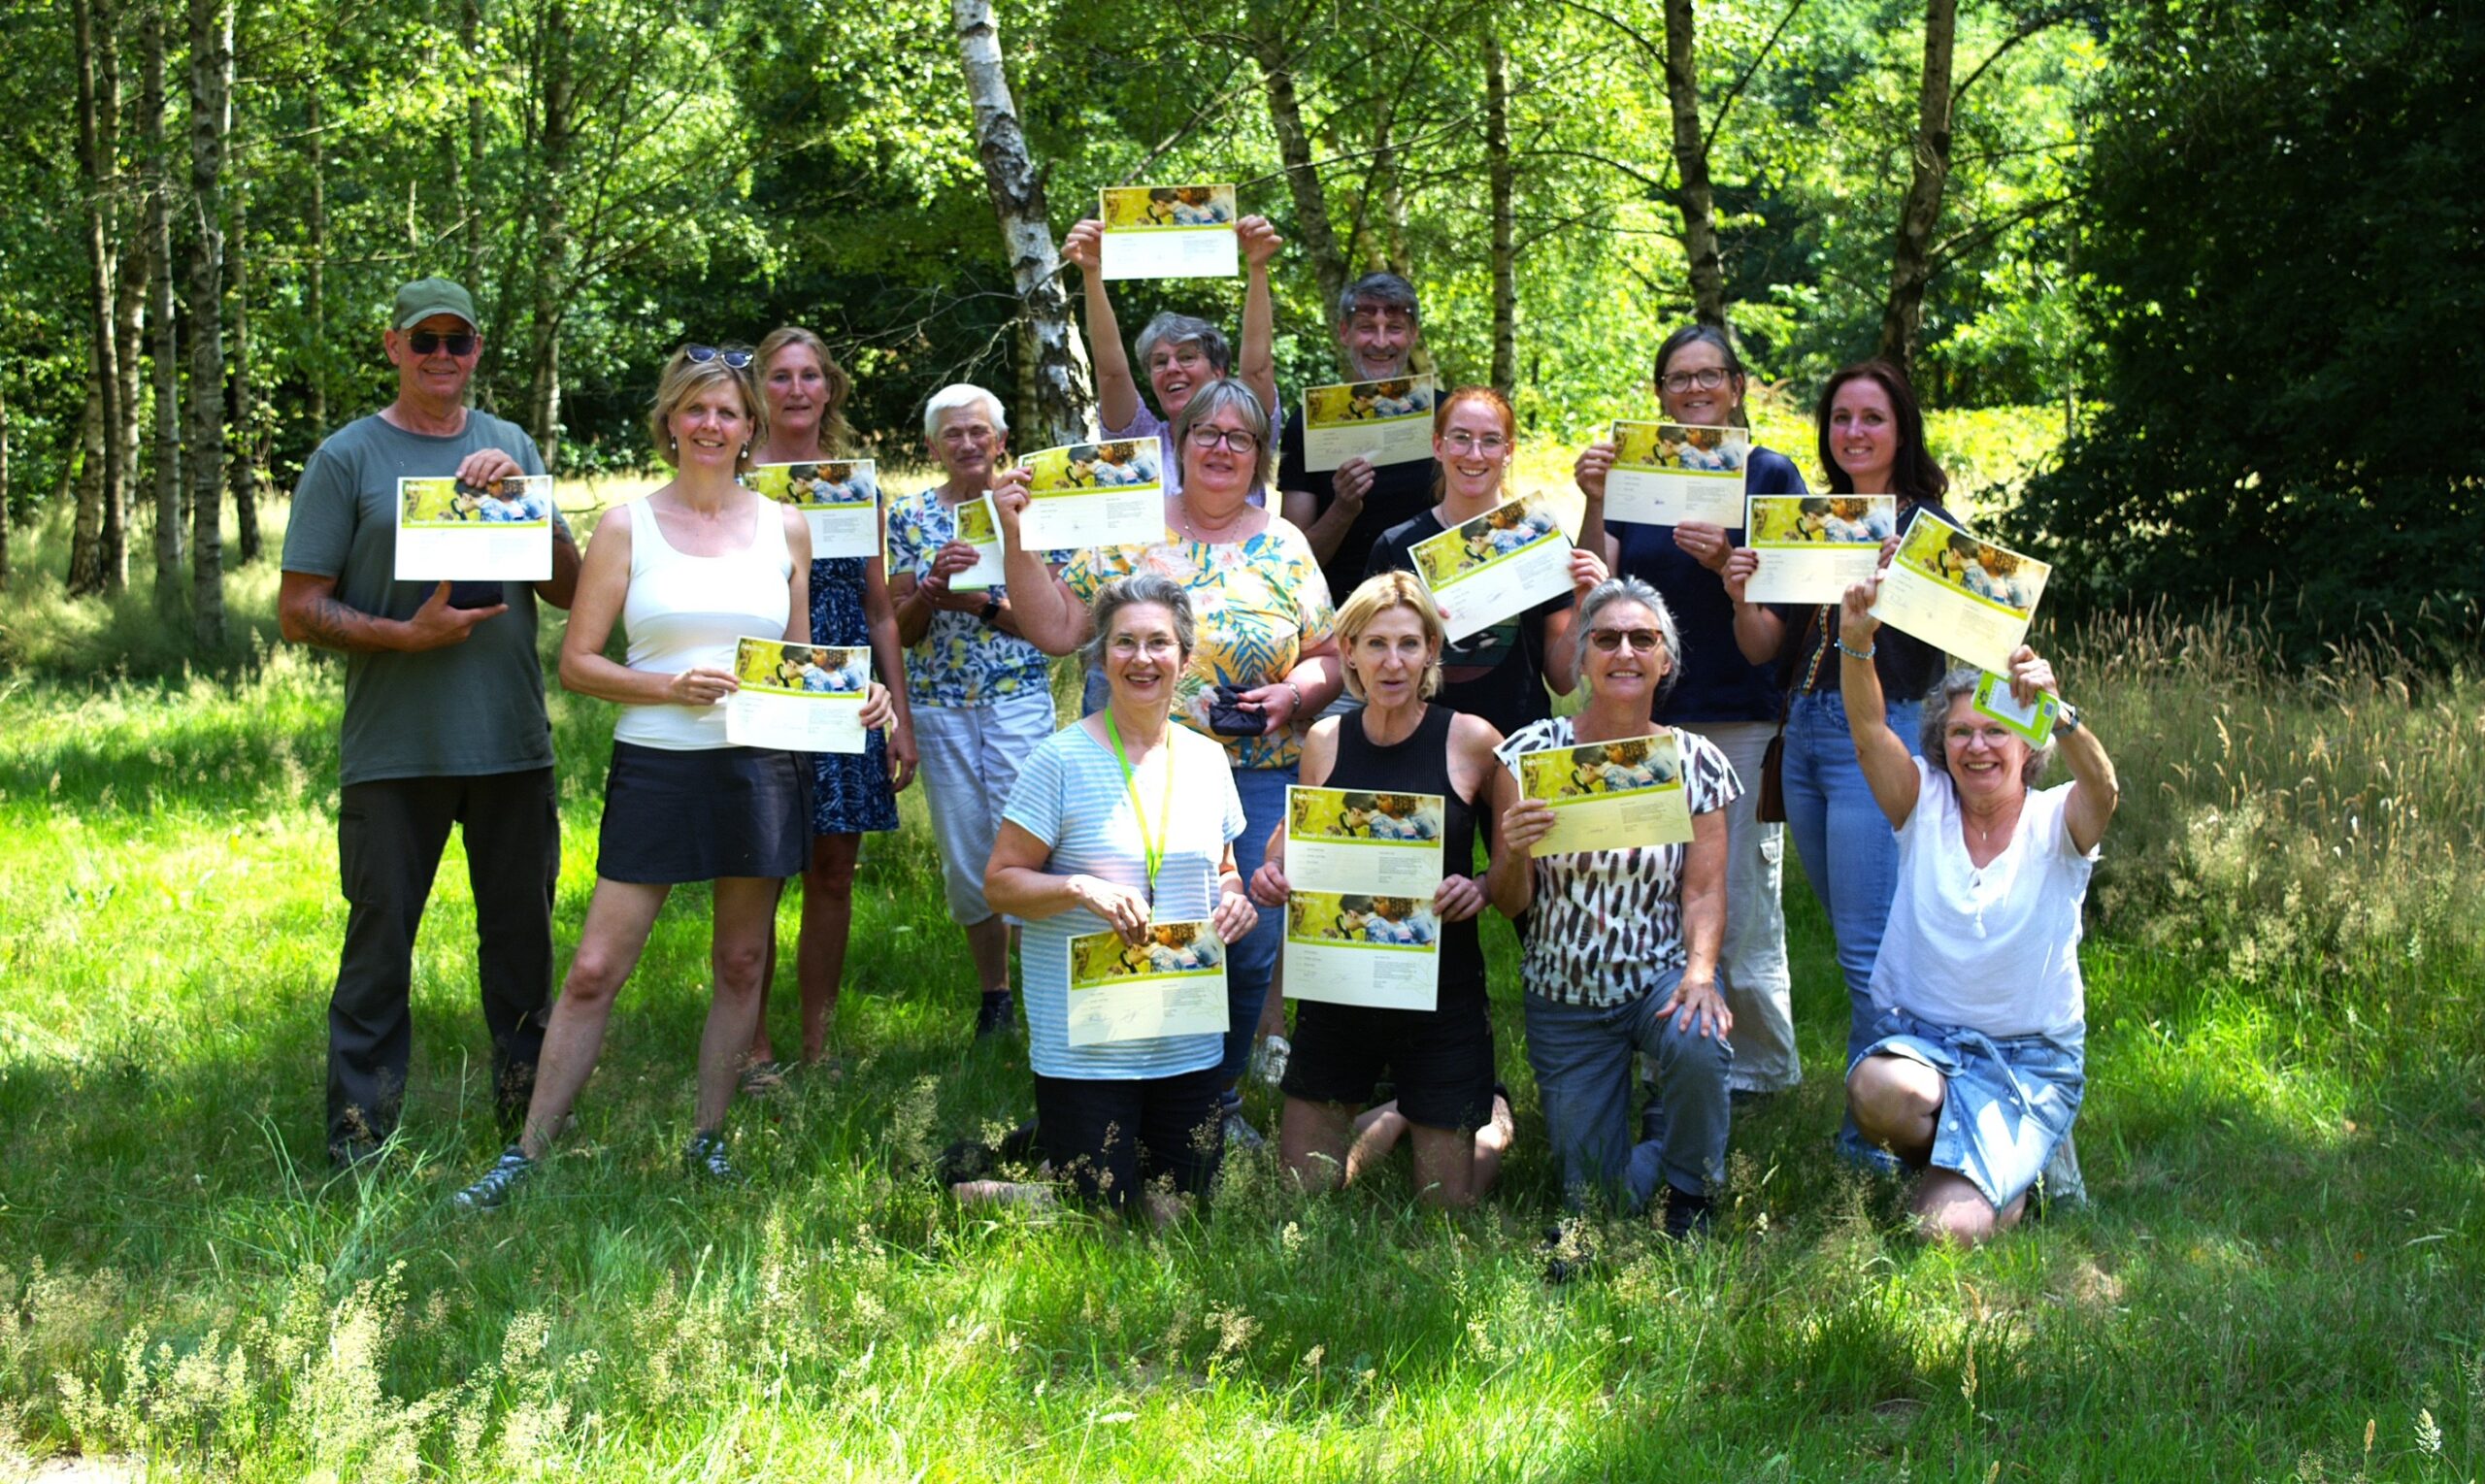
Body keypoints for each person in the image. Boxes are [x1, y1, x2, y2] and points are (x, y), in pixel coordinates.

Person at [453, 346, 893, 1209]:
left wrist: (861, 694)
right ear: (669, 422)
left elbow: (795, 665)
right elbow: (578, 664)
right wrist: (667, 686)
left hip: (762, 767)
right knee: (592, 969)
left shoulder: (786, 527)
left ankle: (707, 1139)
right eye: (695, 409)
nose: (711, 425)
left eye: (727, 412)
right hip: (656, 763)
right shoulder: (625, 525)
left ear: (748, 428)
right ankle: (527, 1152)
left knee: (740, 962)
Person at [278, 276, 582, 1168]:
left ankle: (528, 1133)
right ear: (394, 348)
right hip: (394, 750)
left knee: (523, 954)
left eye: (460, 341)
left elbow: (567, 589)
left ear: (478, 351)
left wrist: (524, 495)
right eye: (426, 341)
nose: (442, 356)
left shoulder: (510, 443)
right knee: (378, 953)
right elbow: (299, 609)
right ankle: (359, 1144)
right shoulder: (348, 458)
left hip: (510, 748)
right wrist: (407, 636)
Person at [997, 378, 1342, 1146]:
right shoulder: (1128, 528)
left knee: (1245, 939)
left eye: (1240, 438)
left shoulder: (1284, 542)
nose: (1222, 448)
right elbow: (1054, 627)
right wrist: (1016, 534)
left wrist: (1296, 693)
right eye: (1206, 434)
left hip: (1254, 770)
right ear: (1179, 446)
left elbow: (1329, 654)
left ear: (1260, 456)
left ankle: (1211, 1104)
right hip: (1131, 768)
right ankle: (1105, 1106)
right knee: (1137, 934)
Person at [1722, 360, 1960, 1167]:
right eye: (1841, 419)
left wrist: (1909, 581)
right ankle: (1907, 1101)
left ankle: (1878, 1138)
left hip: (1879, 733)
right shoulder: (1809, 519)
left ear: (1903, 430)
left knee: (1868, 950)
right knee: (1860, 935)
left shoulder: (1928, 527)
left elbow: (1964, 649)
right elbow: (1763, 646)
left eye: (1873, 418)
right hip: (1805, 733)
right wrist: (1741, 592)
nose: (1854, 432)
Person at [1832, 577, 2120, 1242]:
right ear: (1942, 746)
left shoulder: (2057, 820)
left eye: (1996, 730)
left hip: (2029, 1061)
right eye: (1961, 732)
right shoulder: (1922, 803)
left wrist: (2061, 710)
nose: (1978, 746)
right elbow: (1869, 729)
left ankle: (2012, 1172)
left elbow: (2104, 788)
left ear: (2029, 746)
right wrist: (1855, 646)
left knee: (1945, 1233)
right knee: (1876, 1090)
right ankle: (1989, 1165)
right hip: (1926, 1046)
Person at [1575, 325, 1806, 1105]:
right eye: (1679, 378)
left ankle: (1761, 1070)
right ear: (1659, 392)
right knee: (1652, 892)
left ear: (1738, 387)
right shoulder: (1637, 472)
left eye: (1711, 376)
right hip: (1645, 719)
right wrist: (1594, 499)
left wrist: (1726, 569)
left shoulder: (1771, 473)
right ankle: (1667, 1049)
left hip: (1738, 718)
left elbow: (1779, 631)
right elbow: (1596, 587)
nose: (1696, 390)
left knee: (1738, 898)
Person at [983, 576, 1259, 1214]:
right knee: (1106, 1216)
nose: (1142, 658)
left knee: (1179, 1213)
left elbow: (1225, 870)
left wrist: (1234, 898)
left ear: (1184, 660)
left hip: (1183, 1031)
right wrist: (1079, 887)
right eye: (1124, 642)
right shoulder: (1059, 760)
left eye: (1158, 643)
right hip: (1089, 1041)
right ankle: (1004, 1189)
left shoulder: (1206, 761)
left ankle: (1050, 1166)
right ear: (1101, 657)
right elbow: (1000, 882)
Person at [1246, 573, 1515, 1206]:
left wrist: (1479, 884)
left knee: (1445, 1207)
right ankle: (1396, 1115)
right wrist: (1273, 869)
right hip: (1340, 985)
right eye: (1375, 644)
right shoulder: (1324, 739)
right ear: (1349, 652)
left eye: (1408, 644)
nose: (1392, 662)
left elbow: (1513, 884)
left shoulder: (1474, 739)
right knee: (1300, 1194)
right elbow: (1292, 841)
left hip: (1439, 991)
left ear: (1431, 651)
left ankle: (1495, 1121)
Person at [1487, 577, 1739, 1237]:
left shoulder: (1695, 761)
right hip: (1565, 991)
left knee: (1699, 1039)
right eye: (1606, 638)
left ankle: (1692, 1191)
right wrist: (1513, 852)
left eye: (1642, 639)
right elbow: (1508, 900)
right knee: (1595, 1206)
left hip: (1658, 977)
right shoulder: (1529, 755)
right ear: (1581, 659)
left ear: (1665, 659)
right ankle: (1659, 1136)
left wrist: (1700, 974)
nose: (1624, 651)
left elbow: (1705, 889)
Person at [746, 326, 917, 1080]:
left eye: (809, 375)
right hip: (762, 672)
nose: (795, 389)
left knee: (833, 866)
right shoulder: (736, 475)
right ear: (759, 387)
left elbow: (883, 609)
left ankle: (818, 1043)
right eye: (779, 376)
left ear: (830, 388)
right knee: (755, 863)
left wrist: (900, 721)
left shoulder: (855, 481)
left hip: (849, 683)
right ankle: (750, 1043)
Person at [884, 383, 1059, 1039]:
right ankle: (995, 997)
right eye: (952, 434)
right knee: (966, 856)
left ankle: (1043, 993)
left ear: (1001, 440)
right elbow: (900, 629)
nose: (966, 444)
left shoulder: (1025, 507)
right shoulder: (910, 516)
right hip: (939, 705)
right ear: (933, 446)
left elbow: (1054, 626)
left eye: (978, 432)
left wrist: (979, 603)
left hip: (1016, 699)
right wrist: (930, 591)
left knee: (1028, 848)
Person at [1364, 387, 1605, 738]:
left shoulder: (1540, 539)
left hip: (1517, 741)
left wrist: (1583, 609)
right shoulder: (1395, 546)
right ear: (1437, 446)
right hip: (1419, 745)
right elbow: (1367, 668)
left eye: (1490, 441)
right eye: (1460, 438)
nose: (1474, 454)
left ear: (1509, 452)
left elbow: (1562, 681)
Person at [1059, 214, 1283, 500]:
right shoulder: (1142, 441)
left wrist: (1257, 267)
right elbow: (1111, 374)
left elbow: (1258, 371)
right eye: (1160, 362)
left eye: (1187, 357)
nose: (1172, 368)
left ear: (1219, 372)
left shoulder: (1244, 427)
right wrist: (1091, 271)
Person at [1278, 273, 1442, 603]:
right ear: (1344, 333)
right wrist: (1343, 507)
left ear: (1412, 334)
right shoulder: (1309, 424)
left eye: (1394, 328)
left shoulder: (1448, 415)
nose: (1380, 342)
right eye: (1367, 327)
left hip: (1435, 603)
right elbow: (1292, 563)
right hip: (1343, 605)